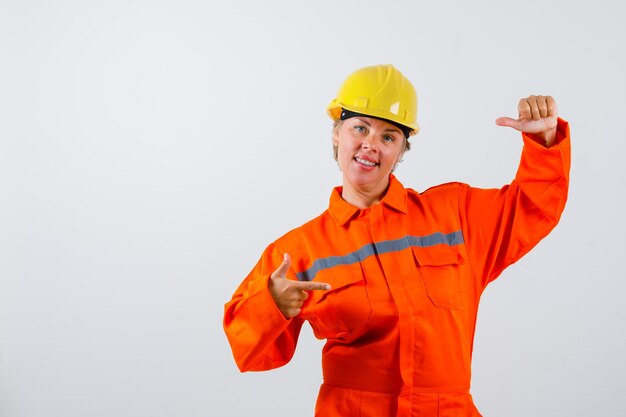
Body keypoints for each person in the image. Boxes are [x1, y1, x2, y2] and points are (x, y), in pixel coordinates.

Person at [223, 64, 570, 417]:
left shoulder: (454, 216)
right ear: (336, 134)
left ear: (402, 149)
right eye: (360, 127)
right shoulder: (299, 250)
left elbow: (532, 207)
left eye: (389, 136)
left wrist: (544, 143)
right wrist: (272, 304)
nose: (371, 144)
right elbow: (248, 351)